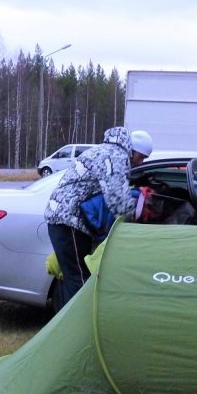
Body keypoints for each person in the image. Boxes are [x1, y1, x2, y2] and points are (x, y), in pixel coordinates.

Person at [45, 127, 152, 309]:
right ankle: (74, 331)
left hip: (65, 219)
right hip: (68, 221)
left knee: (73, 277)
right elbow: (117, 199)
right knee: (79, 281)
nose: (140, 162)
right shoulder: (115, 156)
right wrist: (139, 211)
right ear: (132, 150)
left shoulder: (103, 150)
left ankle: (64, 323)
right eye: (141, 157)